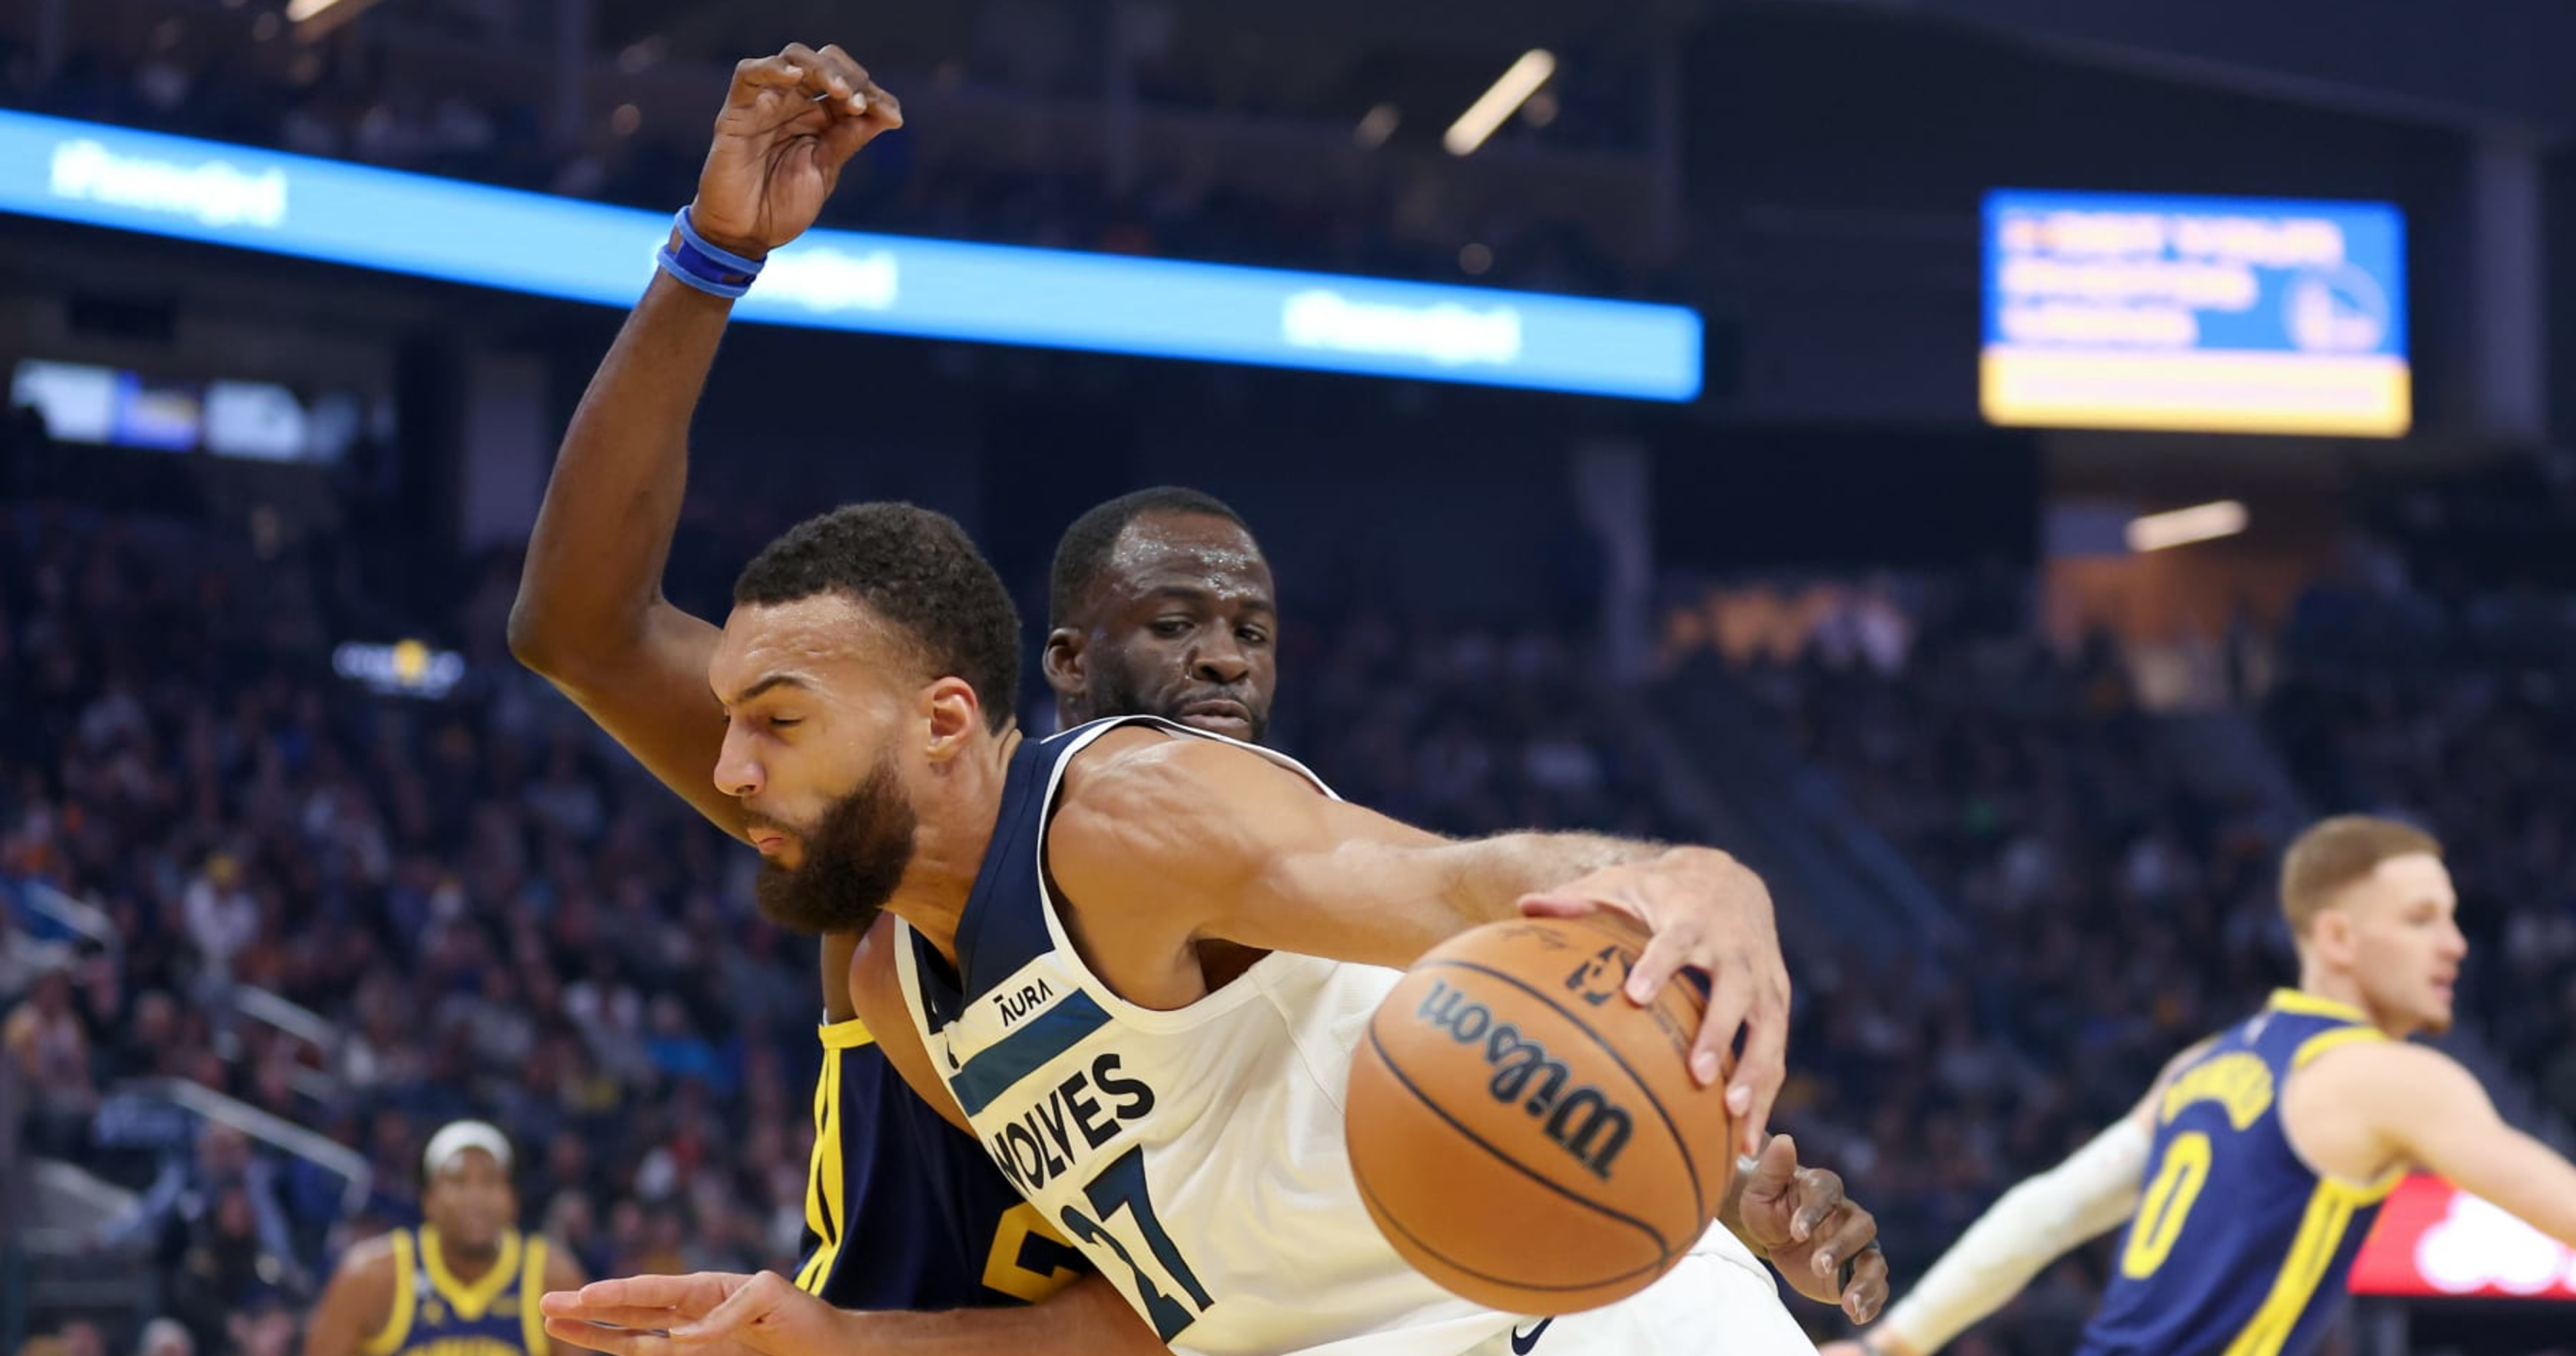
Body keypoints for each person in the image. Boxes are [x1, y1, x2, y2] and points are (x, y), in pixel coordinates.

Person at [522, 40, 1867, 1356]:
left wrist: (1691, 894)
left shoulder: (1142, 819)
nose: (1224, 657)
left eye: (1251, 629)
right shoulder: (891, 948)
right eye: (1172, 623)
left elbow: (1482, 897)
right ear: (1046, 672)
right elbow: (1162, 1309)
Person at [1824, 816, 2576, 1356]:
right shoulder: (2386, 1075)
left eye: (2450, 917)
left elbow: (2046, 1211)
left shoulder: (2199, 1064)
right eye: (2420, 919)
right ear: (2337, 938)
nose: (2454, 943)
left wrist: (1897, 1337)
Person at [304, 1122, 588, 1356]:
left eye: (490, 1181)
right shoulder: (370, 1274)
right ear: (428, 1199)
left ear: (512, 1200)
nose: (475, 1198)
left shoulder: (551, 1276)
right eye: (458, 1181)